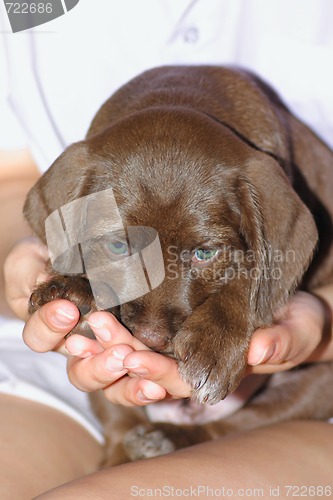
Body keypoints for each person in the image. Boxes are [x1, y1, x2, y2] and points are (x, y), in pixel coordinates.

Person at [1, 0, 333, 498]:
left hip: (302, 391)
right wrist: (39, 262)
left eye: (203, 253)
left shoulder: (261, 189)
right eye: (122, 243)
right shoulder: (26, 12)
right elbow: (17, 181)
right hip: (75, 374)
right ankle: (126, 434)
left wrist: (318, 321)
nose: (153, 329)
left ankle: (196, 435)